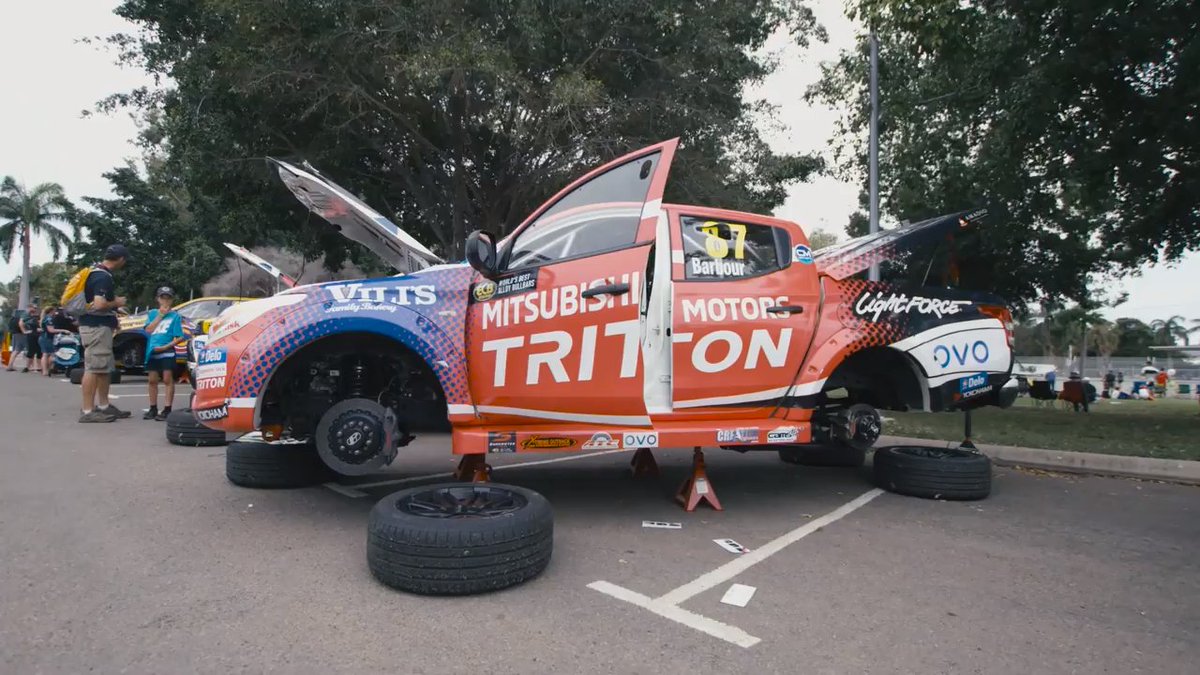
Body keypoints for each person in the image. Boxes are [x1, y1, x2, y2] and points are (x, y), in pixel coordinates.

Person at [79, 244, 132, 423]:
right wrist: (116, 302)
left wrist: (114, 312)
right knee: (93, 368)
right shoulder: (103, 277)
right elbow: (99, 304)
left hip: (99, 326)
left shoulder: (95, 272)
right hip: (96, 328)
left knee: (103, 368)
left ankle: (103, 405)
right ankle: (87, 411)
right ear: (121, 259)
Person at [142, 287, 185, 421]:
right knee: (152, 380)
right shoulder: (152, 314)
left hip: (167, 350)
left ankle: (167, 408)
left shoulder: (175, 316)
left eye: (168, 298)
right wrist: (160, 315)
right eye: (162, 298)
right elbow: (148, 330)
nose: (165, 301)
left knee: (167, 378)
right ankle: (153, 407)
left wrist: (166, 346)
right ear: (158, 299)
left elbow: (179, 336)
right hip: (153, 350)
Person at [39, 305, 63, 377]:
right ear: (51, 311)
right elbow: (51, 330)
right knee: (50, 354)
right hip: (47, 338)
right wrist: (63, 330)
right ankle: (47, 369)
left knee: (45, 354)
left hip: (43, 337)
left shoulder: (44, 318)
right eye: (54, 311)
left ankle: (45, 370)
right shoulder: (49, 319)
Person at [19, 303, 42, 374]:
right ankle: (29, 366)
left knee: (37, 351)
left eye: (36, 308)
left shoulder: (35, 316)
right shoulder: (26, 315)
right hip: (33, 335)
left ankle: (36, 367)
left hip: (35, 335)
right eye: (34, 308)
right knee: (33, 350)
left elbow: (40, 324)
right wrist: (24, 331)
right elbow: (21, 323)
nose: (35, 309)